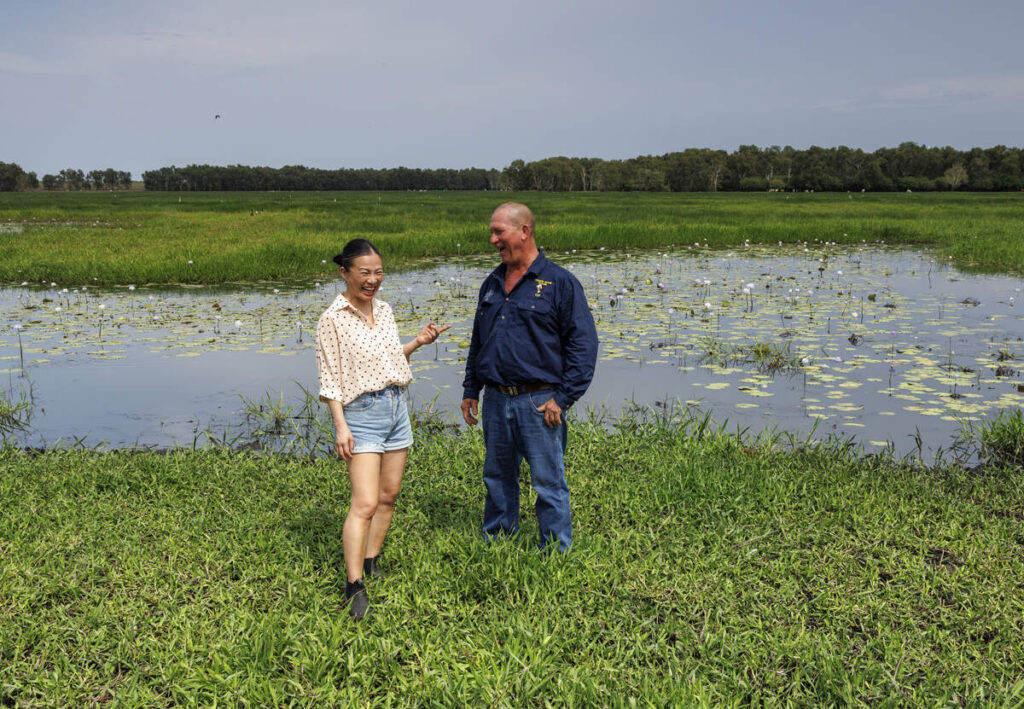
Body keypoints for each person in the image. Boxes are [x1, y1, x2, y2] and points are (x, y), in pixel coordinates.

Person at [316, 238, 449, 619]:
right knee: (366, 502)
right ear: (344, 273)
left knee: (389, 495)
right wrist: (341, 426)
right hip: (361, 414)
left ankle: (372, 561)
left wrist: (417, 343)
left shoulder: (385, 311)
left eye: (378, 272)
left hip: (396, 407)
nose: (372, 280)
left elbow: (387, 359)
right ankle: (353, 585)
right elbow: (330, 381)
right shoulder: (333, 319)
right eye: (364, 273)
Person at [461, 203, 598, 551]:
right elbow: (480, 340)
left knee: (548, 482)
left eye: (498, 232)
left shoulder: (560, 283)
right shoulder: (491, 283)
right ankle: (498, 541)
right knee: (496, 477)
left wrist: (564, 398)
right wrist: (471, 388)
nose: (492, 240)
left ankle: (554, 550)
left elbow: (584, 346)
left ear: (524, 231)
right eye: (492, 232)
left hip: (540, 401)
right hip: (495, 399)